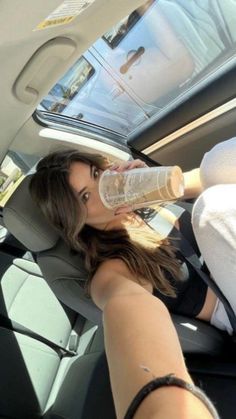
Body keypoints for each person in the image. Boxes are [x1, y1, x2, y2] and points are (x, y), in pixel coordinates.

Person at [29, 147, 222, 418]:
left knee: (216, 168)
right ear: (75, 219)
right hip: (226, 300)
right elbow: (126, 306)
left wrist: (158, 184)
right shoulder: (113, 269)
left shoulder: (142, 206)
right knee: (214, 205)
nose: (103, 189)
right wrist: (164, 403)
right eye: (85, 196)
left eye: (97, 174)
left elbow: (214, 176)